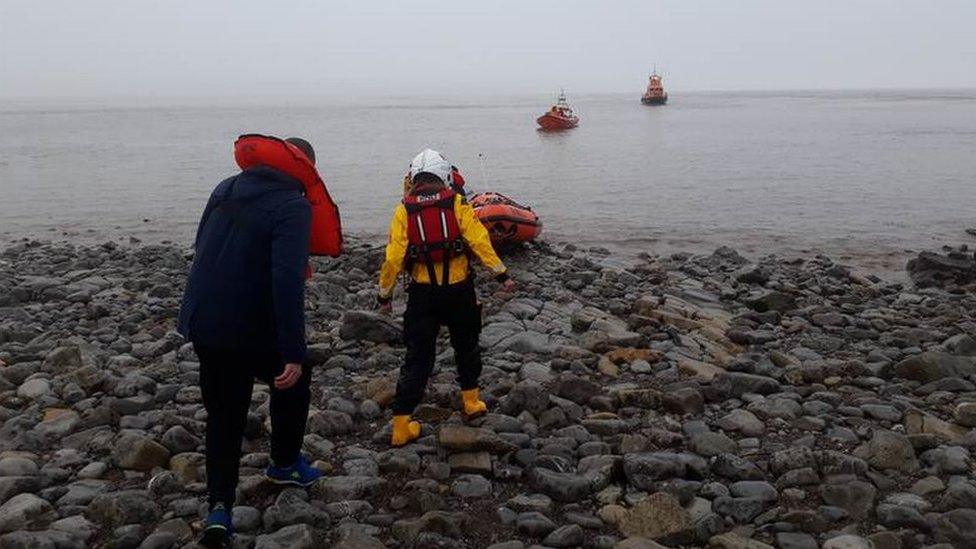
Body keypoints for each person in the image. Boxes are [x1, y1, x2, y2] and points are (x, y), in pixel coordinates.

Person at [178, 136, 323, 547]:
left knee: (224, 416)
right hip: (251, 326)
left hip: (205, 321)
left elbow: (202, 246)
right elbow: (286, 284)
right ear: (303, 169)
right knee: (296, 375)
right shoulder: (293, 205)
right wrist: (292, 351)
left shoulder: (224, 188)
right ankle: (284, 463)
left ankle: (220, 509)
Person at [378, 148, 515, 447]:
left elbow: (393, 257)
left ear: (414, 177)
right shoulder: (457, 203)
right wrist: (501, 275)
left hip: (422, 295)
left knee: (417, 357)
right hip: (459, 292)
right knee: (466, 346)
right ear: (445, 176)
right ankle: (471, 402)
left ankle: (401, 424)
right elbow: (479, 241)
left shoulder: (404, 209)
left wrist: (384, 295)